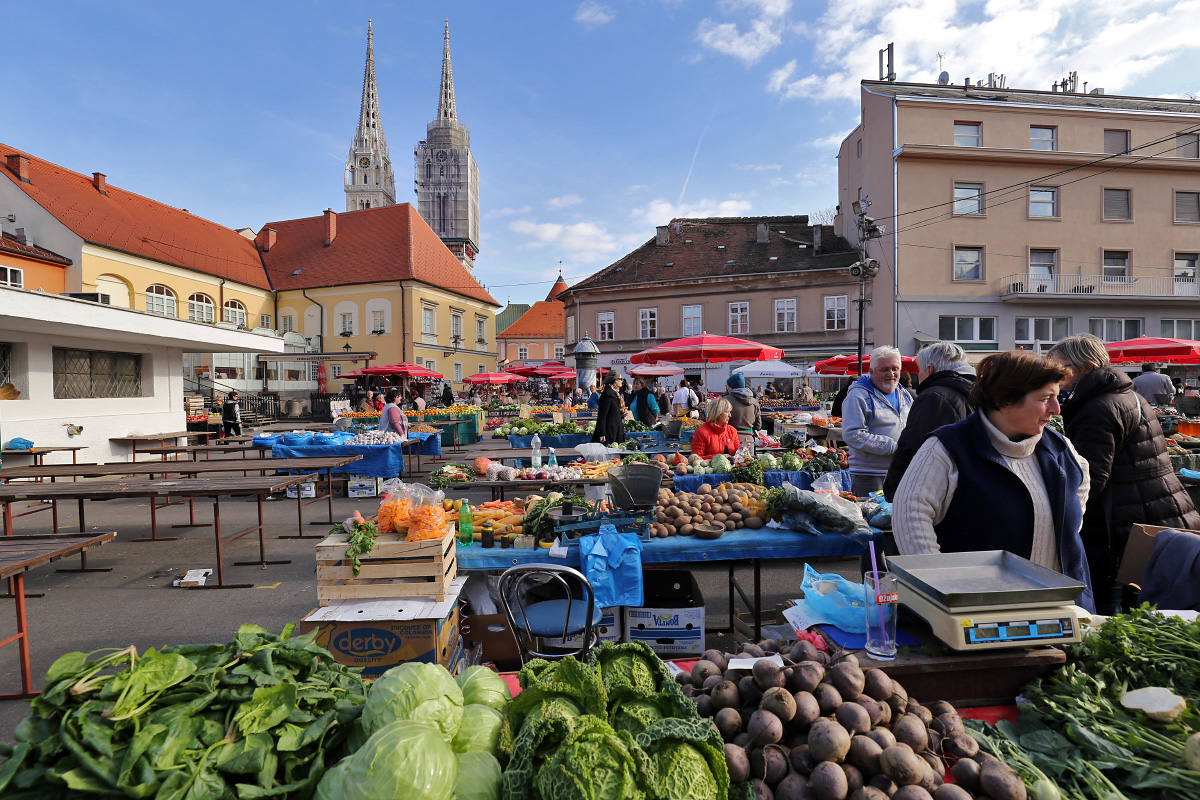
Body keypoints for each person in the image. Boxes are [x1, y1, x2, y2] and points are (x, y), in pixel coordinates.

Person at [892, 350, 1095, 612]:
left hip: (1060, 604)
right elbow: (910, 515)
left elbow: (1082, 479)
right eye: (1045, 398)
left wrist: (1063, 525)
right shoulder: (947, 448)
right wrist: (941, 588)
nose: (1056, 409)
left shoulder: (1059, 446)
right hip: (979, 610)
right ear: (1004, 401)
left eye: (1058, 397)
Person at [1047, 333, 1200, 614]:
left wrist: (1059, 514)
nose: (1055, 374)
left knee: (1112, 606)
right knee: (1139, 601)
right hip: (1152, 507)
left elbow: (1092, 477)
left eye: (1061, 367)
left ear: (1087, 366)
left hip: (1124, 517)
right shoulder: (1127, 395)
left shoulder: (1097, 407)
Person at [883, 342, 976, 502]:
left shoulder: (934, 397)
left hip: (935, 494)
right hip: (968, 489)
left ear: (930, 370)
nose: (918, 375)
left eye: (920, 370)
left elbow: (913, 446)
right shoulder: (976, 392)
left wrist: (893, 489)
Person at [841, 346, 913, 498]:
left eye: (895, 368)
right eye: (884, 369)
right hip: (869, 475)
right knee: (871, 519)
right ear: (871, 371)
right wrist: (893, 447)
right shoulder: (857, 396)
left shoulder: (905, 395)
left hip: (901, 471)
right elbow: (852, 434)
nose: (891, 374)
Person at [723, 373, 763, 446]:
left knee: (729, 458)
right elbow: (758, 425)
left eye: (727, 386)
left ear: (730, 387)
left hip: (728, 440)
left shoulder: (725, 401)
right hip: (749, 440)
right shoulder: (754, 401)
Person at [591, 373, 626, 445]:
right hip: (610, 431)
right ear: (614, 380)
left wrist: (620, 415)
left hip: (615, 429)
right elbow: (602, 415)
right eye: (620, 379)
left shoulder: (615, 394)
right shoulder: (608, 394)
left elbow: (612, 412)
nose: (622, 381)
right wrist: (602, 433)